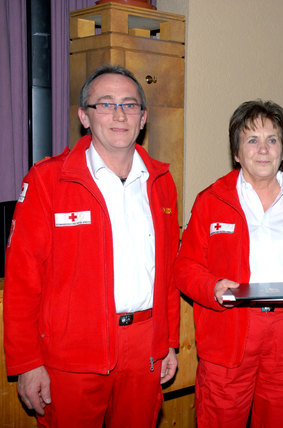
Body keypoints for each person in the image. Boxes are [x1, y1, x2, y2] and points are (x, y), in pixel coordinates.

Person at [3, 64, 180, 427]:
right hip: (71, 356)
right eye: (105, 104)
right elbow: (22, 278)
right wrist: (27, 363)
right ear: (84, 116)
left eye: (130, 105)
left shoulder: (161, 181)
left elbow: (168, 272)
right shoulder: (48, 180)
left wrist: (169, 342)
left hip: (144, 347)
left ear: (143, 118)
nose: (119, 114)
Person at [174, 100, 283, 427]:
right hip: (230, 332)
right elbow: (184, 268)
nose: (263, 149)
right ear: (237, 152)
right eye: (252, 140)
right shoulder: (212, 200)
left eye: (273, 139)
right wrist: (211, 287)